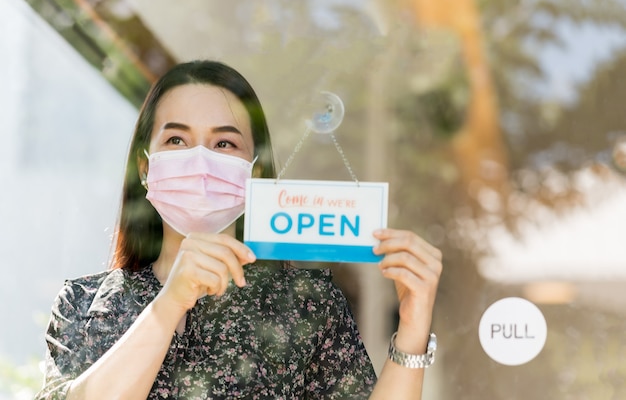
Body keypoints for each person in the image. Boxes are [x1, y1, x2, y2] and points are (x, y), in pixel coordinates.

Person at [36, 60, 442, 399]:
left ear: (257, 172)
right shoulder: (84, 303)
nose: (199, 159)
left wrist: (412, 332)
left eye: (224, 144)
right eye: (177, 140)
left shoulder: (308, 304)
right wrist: (170, 301)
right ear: (146, 167)